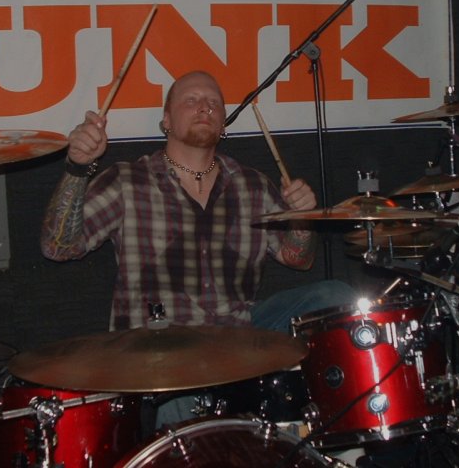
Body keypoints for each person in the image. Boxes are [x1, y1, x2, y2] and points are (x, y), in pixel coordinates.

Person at [40, 70, 353, 333]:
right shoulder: (127, 180)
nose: (205, 107)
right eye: (191, 100)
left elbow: (297, 259)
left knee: (336, 295)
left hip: (237, 335)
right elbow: (58, 247)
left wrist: (302, 217)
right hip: (157, 345)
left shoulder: (253, 186)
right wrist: (77, 169)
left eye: (214, 103)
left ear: (223, 125)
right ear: (166, 120)